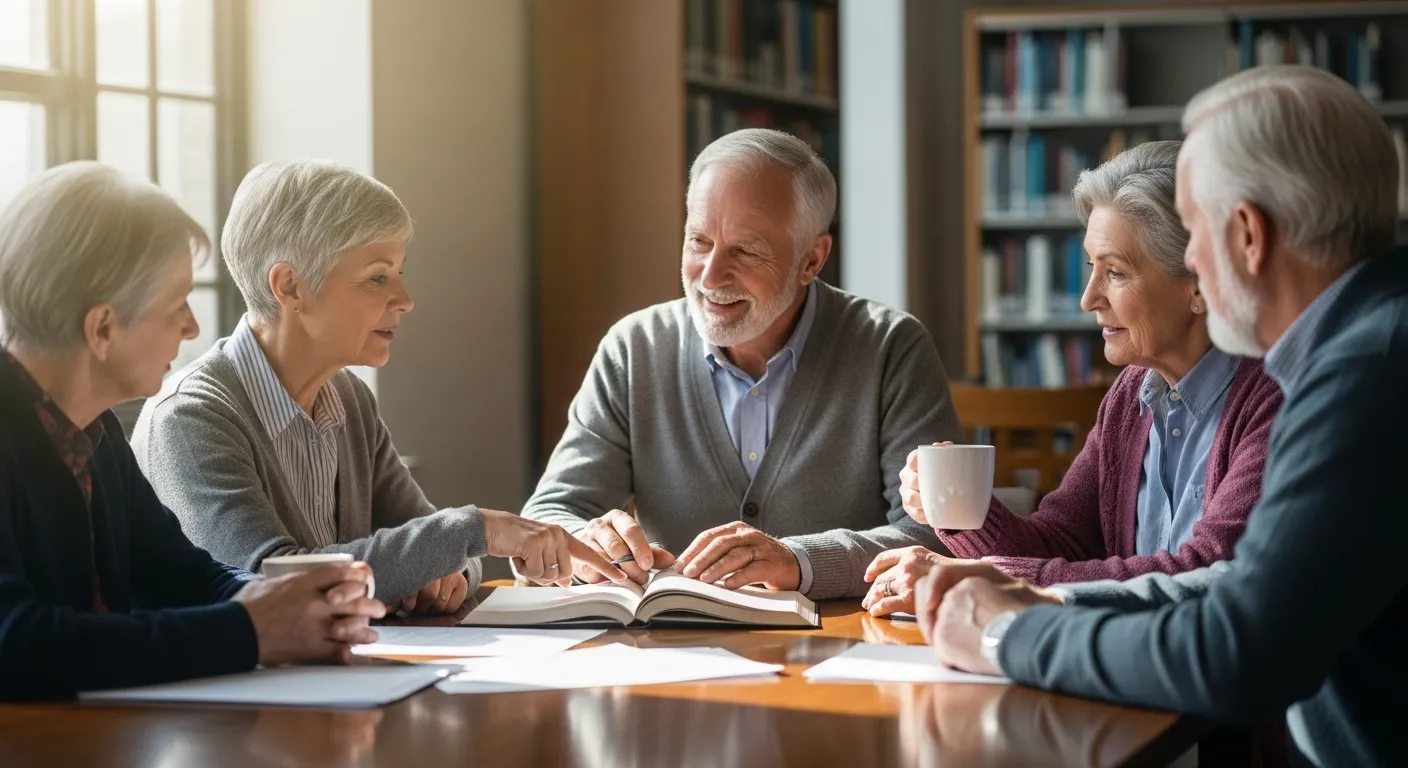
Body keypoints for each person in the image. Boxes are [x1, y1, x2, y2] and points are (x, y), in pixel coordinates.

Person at [917, 65, 1408, 768]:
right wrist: (1016, 588)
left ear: (1246, 235)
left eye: (1195, 230)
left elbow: (1238, 647)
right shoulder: (1374, 339)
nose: (1196, 266)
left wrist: (1007, 634)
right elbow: (1234, 590)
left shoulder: (1366, 369)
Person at [133, 160, 625, 612]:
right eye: (376, 278)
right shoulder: (190, 416)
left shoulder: (349, 398)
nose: (405, 299)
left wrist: (445, 571)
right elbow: (267, 585)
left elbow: (447, 550)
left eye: (399, 273)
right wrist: (477, 532)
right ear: (289, 287)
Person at [522, 128, 963, 599]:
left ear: (811, 259)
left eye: (745, 250)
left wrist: (798, 561)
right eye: (699, 241)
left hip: (841, 647)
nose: (710, 276)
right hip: (674, 652)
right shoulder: (634, 348)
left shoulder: (891, 348)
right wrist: (583, 541)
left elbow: (942, 537)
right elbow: (551, 512)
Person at [0, 162, 385, 700]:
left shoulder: (98, 435)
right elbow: (19, 642)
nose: (193, 326)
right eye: (176, 304)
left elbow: (184, 578)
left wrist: (296, 603)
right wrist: (251, 630)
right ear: (103, 328)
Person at [863, 141, 1282, 617]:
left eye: (1116, 272)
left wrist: (998, 577)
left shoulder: (1272, 397)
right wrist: (963, 515)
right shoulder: (1131, 394)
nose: (1088, 298)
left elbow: (1207, 570)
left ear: (1200, 285)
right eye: (1091, 268)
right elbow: (1060, 540)